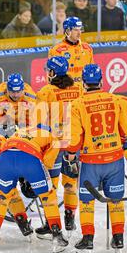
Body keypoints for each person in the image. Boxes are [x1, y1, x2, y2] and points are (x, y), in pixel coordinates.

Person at [66, 64, 127, 253]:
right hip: (114, 159)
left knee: (87, 201)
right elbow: (126, 129)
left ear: (83, 83)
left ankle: (88, 239)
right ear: (102, 81)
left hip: (91, 162)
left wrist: (71, 156)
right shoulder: (115, 100)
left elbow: (74, 138)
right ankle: (118, 237)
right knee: (116, 200)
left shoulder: (78, 104)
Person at [0, 123, 69, 253]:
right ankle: (57, 234)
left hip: (5, 158)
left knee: (3, 196)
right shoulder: (50, 136)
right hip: (29, 158)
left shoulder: (20, 131)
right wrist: (36, 178)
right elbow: (47, 163)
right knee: (48, 196)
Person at [35, 56, 82, 239]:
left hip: (53, 146)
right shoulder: (78, 89)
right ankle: (70, 219)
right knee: (71, 183)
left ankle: (51, 222)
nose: (47, 73)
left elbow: (39, 124)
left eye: (48, 70)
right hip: (73, 144)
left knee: (50, 186)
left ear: (53, 73)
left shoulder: (45, 91)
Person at [48, 16, 94, 83]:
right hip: (66, 90)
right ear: (67, 31)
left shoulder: (87, 48)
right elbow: (51, 75)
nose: (79, 33)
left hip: (83, 89)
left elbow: (91, 71)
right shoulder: (57, 50)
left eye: (80, 29)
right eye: (75, 30)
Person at [0, 73, 36, 137]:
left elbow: (32, 120)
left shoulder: (31, 98)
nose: (16, 95)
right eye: (13, 92)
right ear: (7, 90)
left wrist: (24, 131)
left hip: (23, 121)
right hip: (7, 121)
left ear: (23, 90)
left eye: (18, 92)